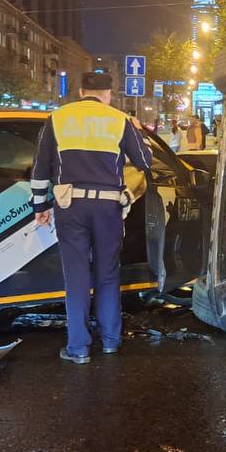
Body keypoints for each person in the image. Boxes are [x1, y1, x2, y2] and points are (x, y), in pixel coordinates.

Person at [31, 72, 153, 365]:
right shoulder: (118, 119)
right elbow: (145, 162)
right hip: (108, 207)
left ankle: (78, 348)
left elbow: (40, 169)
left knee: (76, 277)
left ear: (82, 91)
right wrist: (137, 131)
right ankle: (111, 341)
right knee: (108, 274)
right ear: (107, 94)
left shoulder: (58, 118)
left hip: (70, 205)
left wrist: (40, 206)